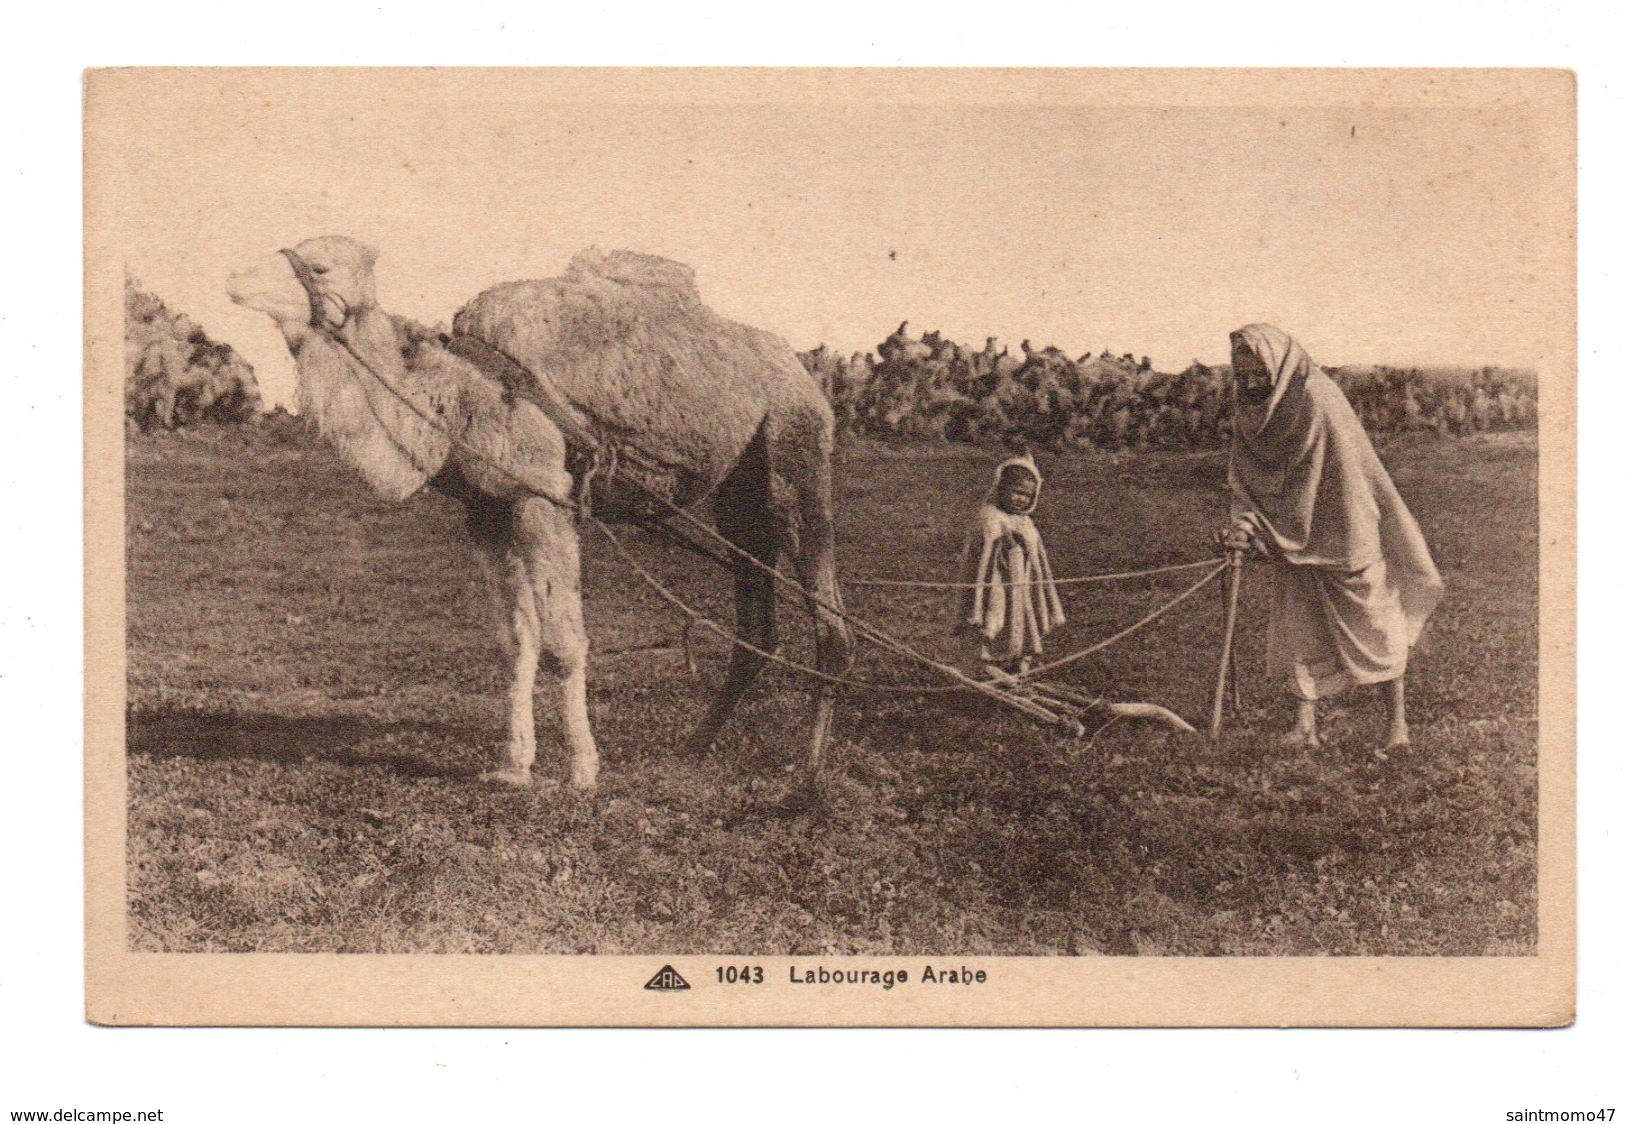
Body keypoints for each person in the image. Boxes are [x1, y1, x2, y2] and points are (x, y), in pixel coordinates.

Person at [1221, 324, 1444, 753]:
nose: (1249, 383)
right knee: (1298, 629)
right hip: (1290, 536)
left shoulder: (1317, 400)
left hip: (1344, 530)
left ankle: (1397, 727)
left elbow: (1329, 478)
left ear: (1279, 365)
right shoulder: (1250, 410)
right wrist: (1246, 521)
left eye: (1257, 373)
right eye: (1241, 374)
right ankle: (1305, 726)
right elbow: (1247, 475)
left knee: (1374, 625)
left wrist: (1274, 527)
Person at [956, 453, 1066, 678]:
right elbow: (983, 557)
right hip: (996, 583)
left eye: (1027, 495)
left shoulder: (1026, 521)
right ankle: (985, 663)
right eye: (1016, 492)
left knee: (1023, 617)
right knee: (995, 618)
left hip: (1022, 582)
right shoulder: (990, 517)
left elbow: (1036, 555)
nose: (1021, 500)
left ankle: (1018, 658)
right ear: (1001, 488)